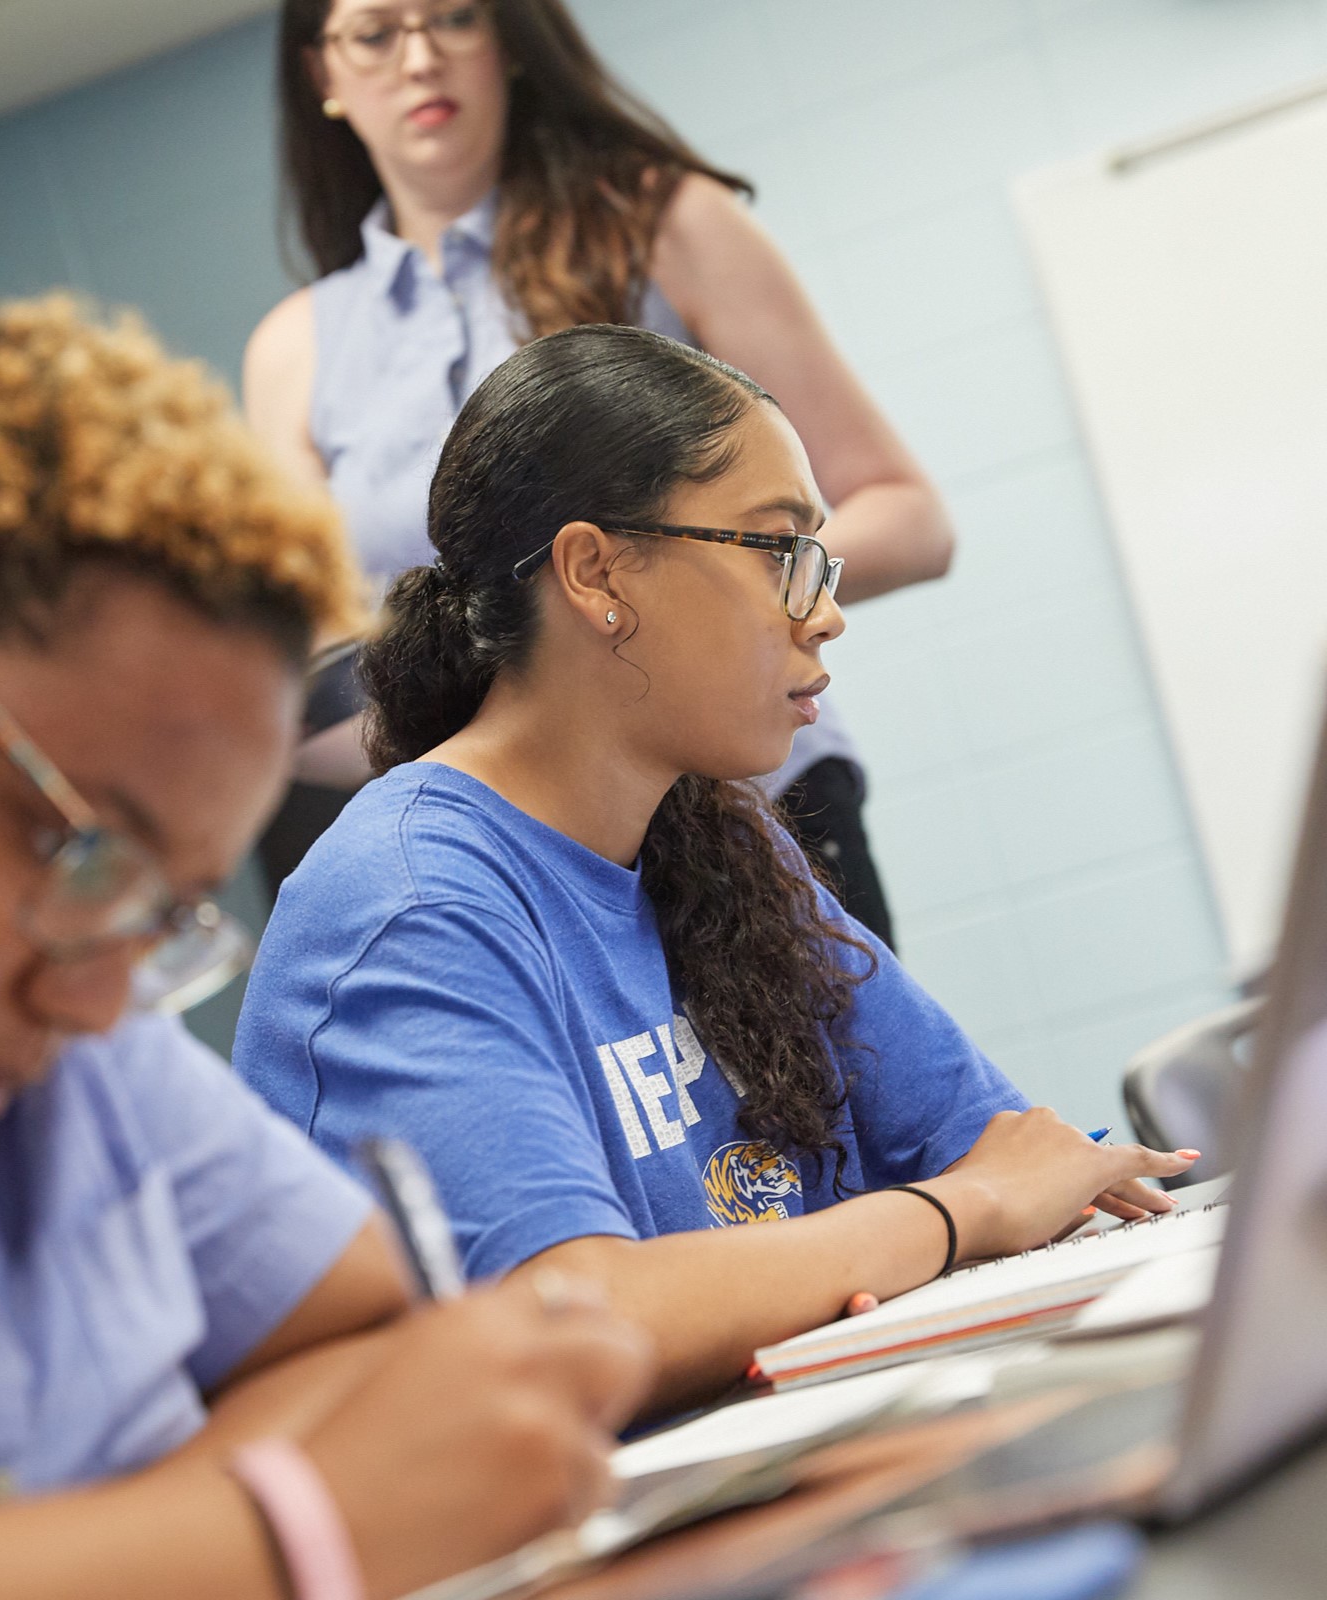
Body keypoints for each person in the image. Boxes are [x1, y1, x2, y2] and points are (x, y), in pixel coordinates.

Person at [0, 297, 655, 1598]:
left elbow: (357, 1338)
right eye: (76, 848)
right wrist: (274, 1537)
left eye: (159, 910)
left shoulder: (66, 1047)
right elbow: (351, 1461)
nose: (103, 998)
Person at [235, 326, 1197, 1417]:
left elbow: (999, 1147)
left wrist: (996, 1194)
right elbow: (573, 1317)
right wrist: (950, 1216)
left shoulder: (718, 837)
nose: (825, 608)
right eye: (777, 550)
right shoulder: (406, 900)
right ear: (598, 572)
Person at [244, 0, 954, 943]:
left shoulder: (666, 226)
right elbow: (330, 666)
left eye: (454, 17)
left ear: (509, 41)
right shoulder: (295, 351)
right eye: (375, 33)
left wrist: (704, 589)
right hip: (521, 876)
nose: (419, 58)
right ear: (323, 75)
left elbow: (909, 518)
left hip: (755, 813)